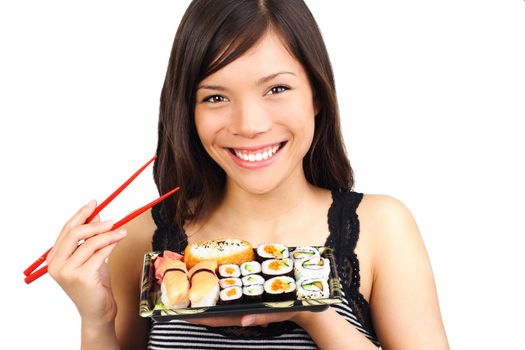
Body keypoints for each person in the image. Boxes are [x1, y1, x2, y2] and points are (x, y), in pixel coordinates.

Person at [46, 0, 449, 349]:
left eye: (276, 89)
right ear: (188, 111)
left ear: (317, 96)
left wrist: (314, 314)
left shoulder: (382, 226)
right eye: (216, 97)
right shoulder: (142, 239)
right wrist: (95, 319)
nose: (250, 124)